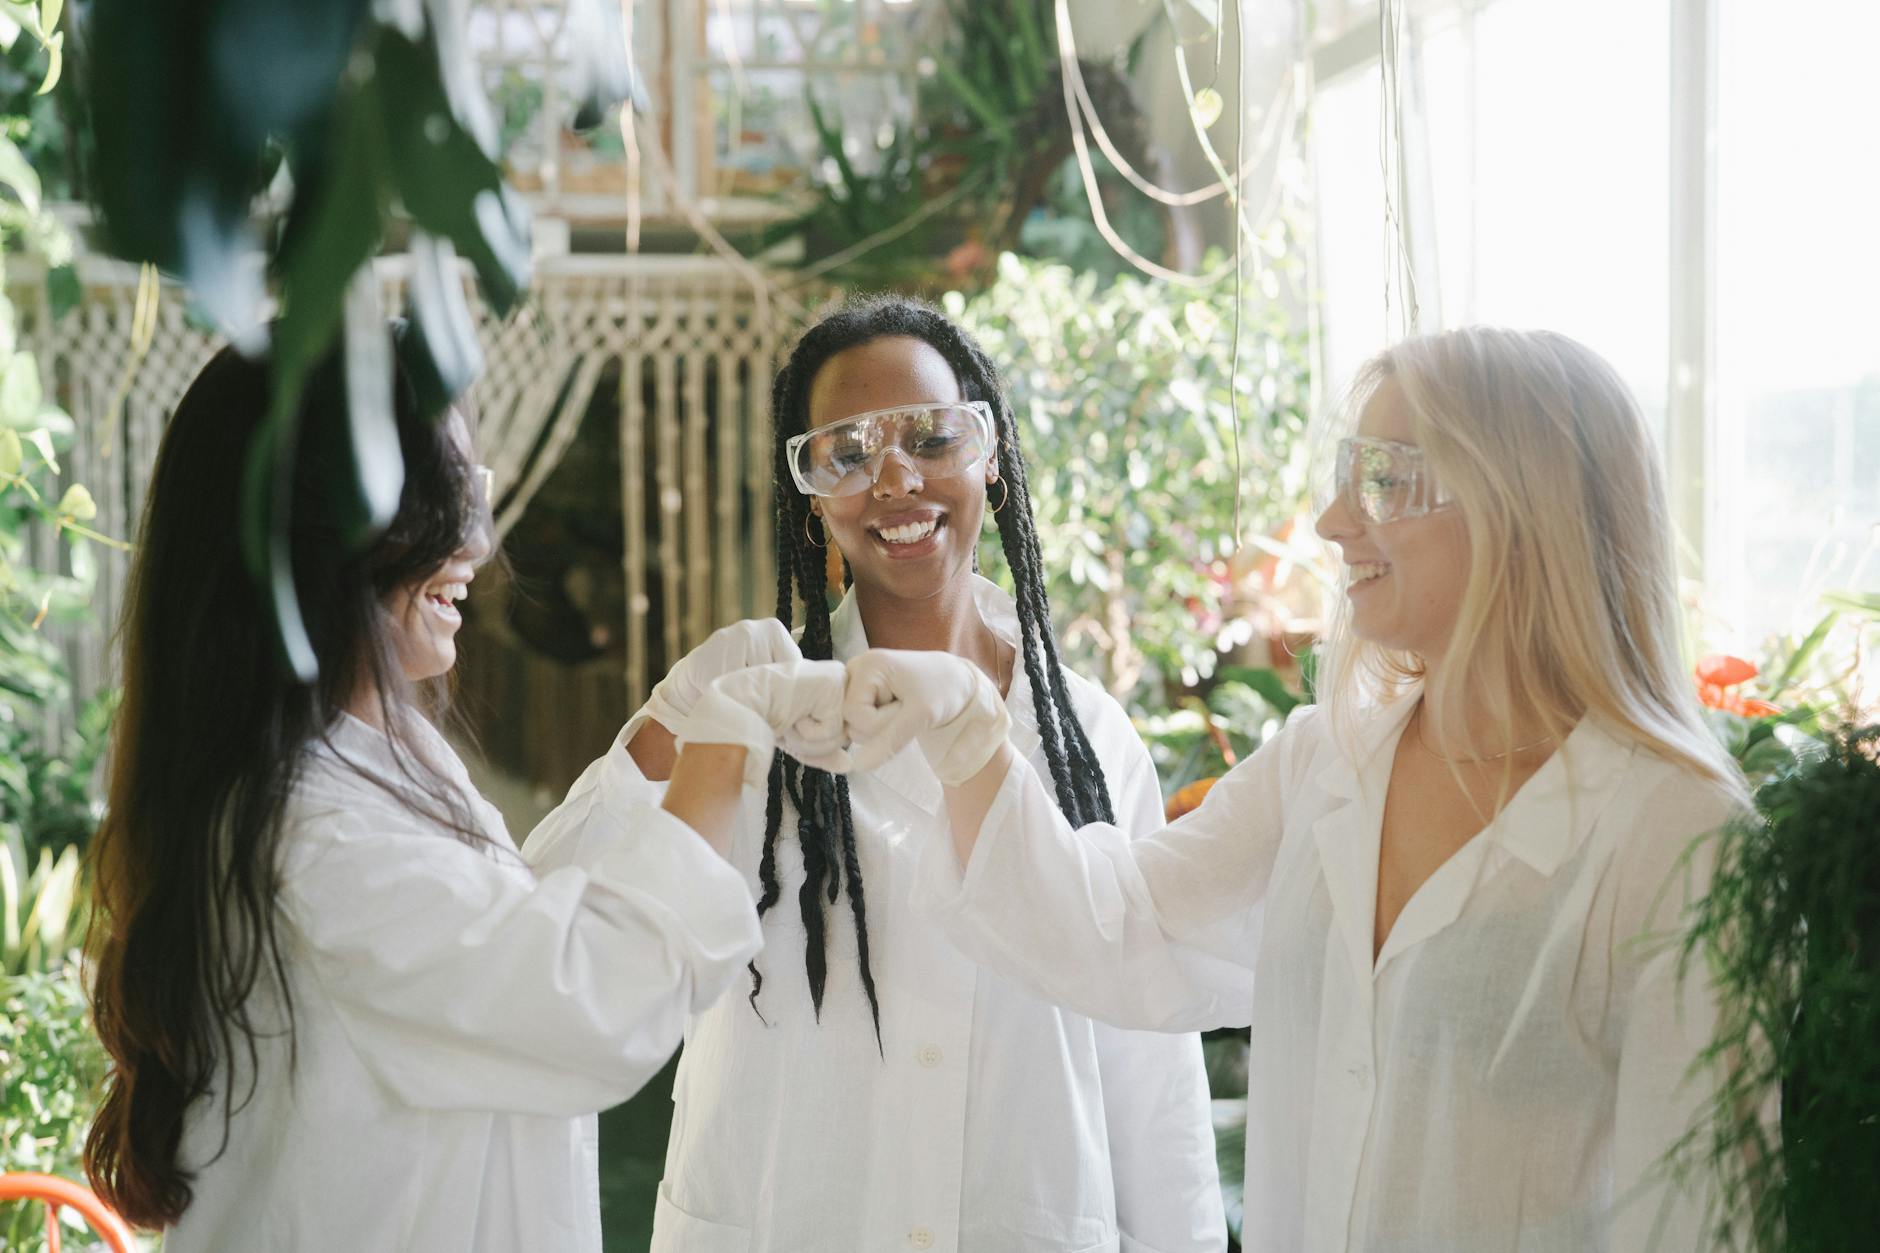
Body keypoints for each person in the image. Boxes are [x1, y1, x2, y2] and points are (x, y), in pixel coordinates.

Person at [844, 327, 1750, 1252]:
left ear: (1522, 507)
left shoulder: (1677, 834)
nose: (1333, 521)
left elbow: (1700, 1215)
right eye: (1347, 472)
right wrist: (965, 730)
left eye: (1385, 479)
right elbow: (1111, 928)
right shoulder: (1324, 762)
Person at [81, 331, 840, 1251]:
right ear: (321, 532)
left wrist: (656, 752)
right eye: (443, 500)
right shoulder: (314, 836)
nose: (478, 540)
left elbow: (501, 936)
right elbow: (578, 1001)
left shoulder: (363, 765)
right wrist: (726, 745)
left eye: (470, 491)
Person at [532, 295, 1224, 1252]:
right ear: (813, 495)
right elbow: (552, 918)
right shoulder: (753, 712)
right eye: (846, 454)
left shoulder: (1090, 738)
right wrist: (663, 731)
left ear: (994, 463)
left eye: (934, 437)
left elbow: (1153, 1069)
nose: (895, 477)